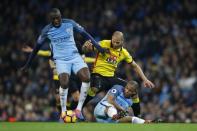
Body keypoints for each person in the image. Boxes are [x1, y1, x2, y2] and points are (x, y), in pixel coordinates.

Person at [21, 8, 106, 120]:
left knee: (86, 77)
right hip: (61, 60)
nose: (56, 20)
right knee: (64, 83)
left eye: (58, 18)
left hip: (75, 56)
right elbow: (37, 48)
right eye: (53, 19)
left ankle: (79, 110)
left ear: (61, 16)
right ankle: (63, 111)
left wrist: (98, 47)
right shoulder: (46, 30)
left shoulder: (70, 23)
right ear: (50, 19)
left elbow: (85, 34)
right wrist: (28, 64)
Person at [82, 31, 155, 121]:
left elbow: (135, 66)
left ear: (122, 41)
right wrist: (86, 47)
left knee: (132, 89)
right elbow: (85, 49)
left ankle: (138, 116)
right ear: (112, 38)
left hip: (111, 77)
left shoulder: (124, 52)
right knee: (94, 88)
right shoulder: (103, 43)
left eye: (118, 42)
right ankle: (78, 110)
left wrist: (145, 79)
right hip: (98, 74)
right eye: (113, 41)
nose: (115, 44)